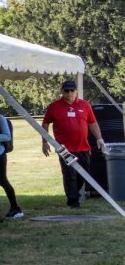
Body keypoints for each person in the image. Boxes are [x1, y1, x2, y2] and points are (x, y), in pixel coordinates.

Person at [41, 79, 106, 208]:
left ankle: (74, 194)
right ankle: (73, 201)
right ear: (62, 91)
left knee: (83, 174)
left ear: (76, 91)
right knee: (69, 174)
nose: (70, 93)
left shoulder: (85, 105)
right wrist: (45, 141)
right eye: (67, 90)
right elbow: (45, 123)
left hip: (83, 147)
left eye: (72, 90)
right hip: (64, 148)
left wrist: (99, 138)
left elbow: (92, 123)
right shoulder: (54, 106)